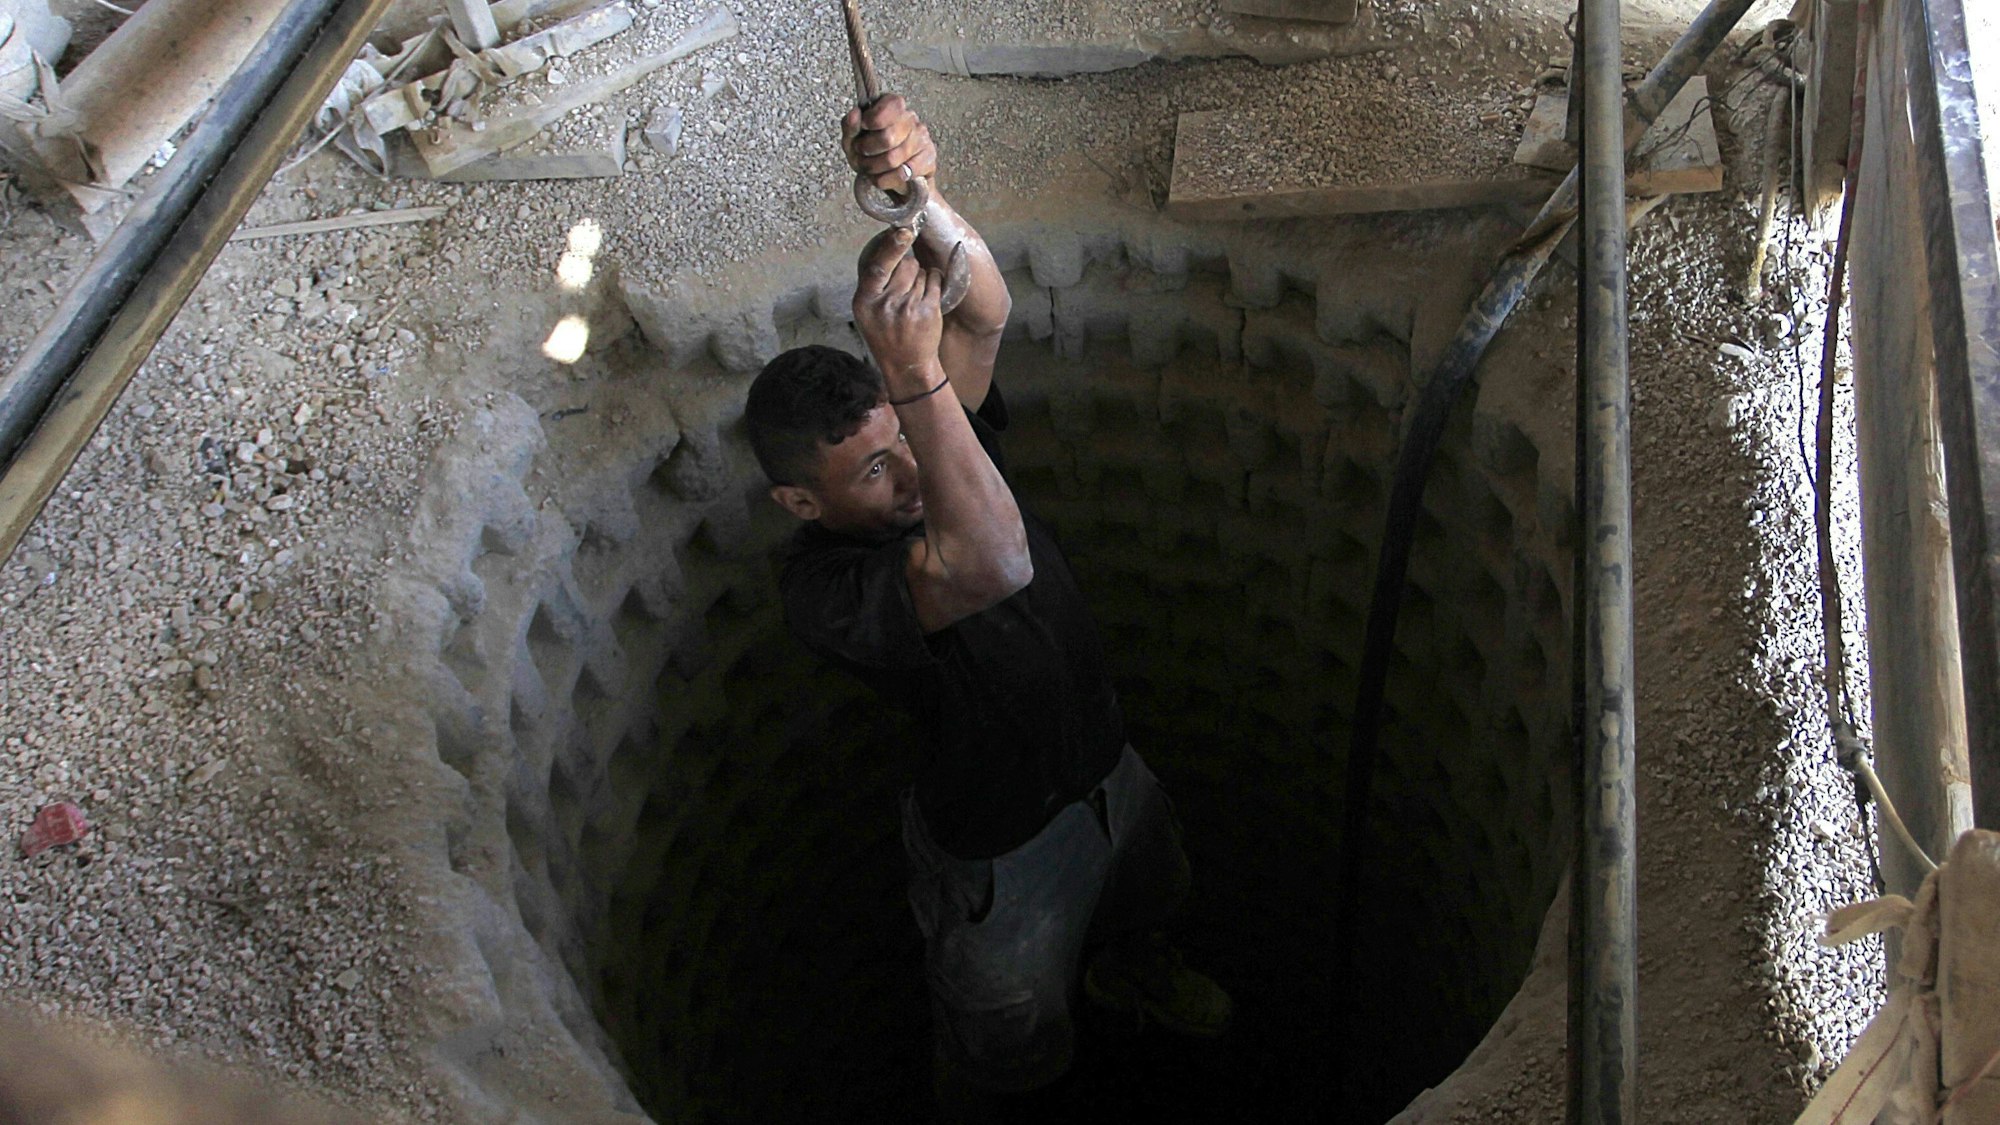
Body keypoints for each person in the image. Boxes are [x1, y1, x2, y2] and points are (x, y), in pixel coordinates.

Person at [745, 94, 1230, 1114]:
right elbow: (989, 562)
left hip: (1104, 772)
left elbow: (983, 313)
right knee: (1006, 1043)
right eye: (871, 470)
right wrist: (913, 378)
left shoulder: (929, 444)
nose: (911, 476)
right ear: (801, 502)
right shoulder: (826, 590)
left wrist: (918, 199)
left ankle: (1130, 972)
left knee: (1152, 899)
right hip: (1002, 856)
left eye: (899, 440)